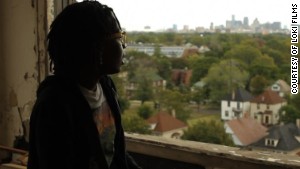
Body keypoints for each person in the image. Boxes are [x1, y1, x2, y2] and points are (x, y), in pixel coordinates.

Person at [27, 1, 142, 169]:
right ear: (98, 47)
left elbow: (112, 153)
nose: (124, 45)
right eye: (119, 37)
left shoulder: (106, 87)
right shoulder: (53, 106)